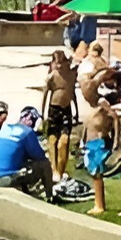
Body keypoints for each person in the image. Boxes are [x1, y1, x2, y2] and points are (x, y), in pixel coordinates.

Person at [0, 107, 51, 193]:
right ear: (30, 119)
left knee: (20, 161)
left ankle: (26, 191)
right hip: (6, 178)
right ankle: (49, 195)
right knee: (44, 164)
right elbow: (40, 156)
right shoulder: (27, 132)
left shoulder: (6, 128)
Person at [40, 50, 79, 185]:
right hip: (54, 108)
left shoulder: (72, 75)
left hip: (66, 108)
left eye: (62, 63)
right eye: (57, 63)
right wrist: (42, 113)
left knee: (65, 140)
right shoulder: (52, 77)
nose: (60, 66)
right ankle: (53, 168)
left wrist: (76, 111)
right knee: (52, 139)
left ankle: (60, 171)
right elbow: (45, 95)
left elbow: (72, 92)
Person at [80, 87, 119, 215]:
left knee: (97, 173)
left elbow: (115, 117)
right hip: (90, 143)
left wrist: (116, 139)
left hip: (99, 142)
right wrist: (82, 140)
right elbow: (87, 125)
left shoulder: (102, 103)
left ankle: (100, 205)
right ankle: (98, 203)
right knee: (93, 173)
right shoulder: (89, 106)